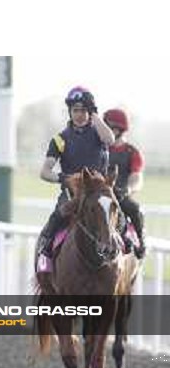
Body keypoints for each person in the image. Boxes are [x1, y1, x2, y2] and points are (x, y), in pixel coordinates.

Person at [36, 86, 115, 265]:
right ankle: (45, 258)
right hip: (73, 194)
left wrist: (94, 114)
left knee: (120, 219)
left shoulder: (99, 133)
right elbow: (44, 172)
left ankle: (127, 253)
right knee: (56, 218)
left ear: (90, 111)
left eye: (83, 110)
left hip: (99, 192)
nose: (79, 114)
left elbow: (110, 139)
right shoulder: (60, 139)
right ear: (70, 112)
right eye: (75, 110)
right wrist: (63, 178)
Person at [103, 108, 147, 258]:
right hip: (101, 193)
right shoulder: (101, 149)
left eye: (113, 128)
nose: (111, 131)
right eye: (108, 127)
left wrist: (127, 189)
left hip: (120, 194)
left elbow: (137, 178)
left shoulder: (132, 152)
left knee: (134, 208)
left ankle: (140, 242)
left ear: (121, 129)